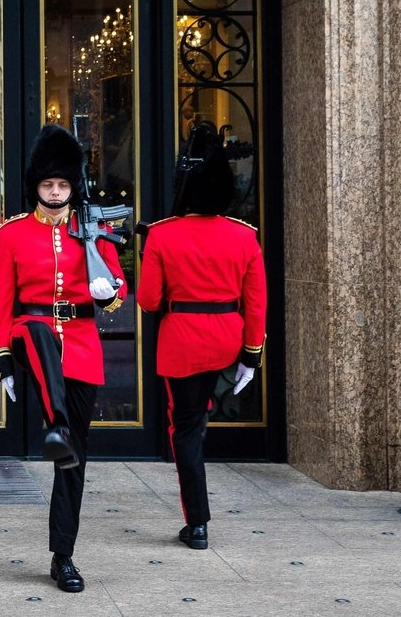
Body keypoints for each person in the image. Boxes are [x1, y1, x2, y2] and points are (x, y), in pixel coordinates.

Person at [0, 125, 126, 594]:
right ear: (37, 185)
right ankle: (58, 424)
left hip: (82, 344)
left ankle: (63, 554)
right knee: (37, 330)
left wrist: (108, 292)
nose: (54, 192)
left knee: (72, 456)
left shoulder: (92, 230)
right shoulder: (11, 234)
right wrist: (3, 359)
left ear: (73, 186)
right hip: (30, 336)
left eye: (62, 184)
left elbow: (118, 288)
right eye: (47, 184)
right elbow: (2, 303)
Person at [138, 122, 266, 551]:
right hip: (227, 339)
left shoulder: (162, 234)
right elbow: (256, 303)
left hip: (183, 342)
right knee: (196, 419)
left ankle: (197, 523)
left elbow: (148, 301)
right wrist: (251, 355)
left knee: (186, 429)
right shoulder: (245, 236)